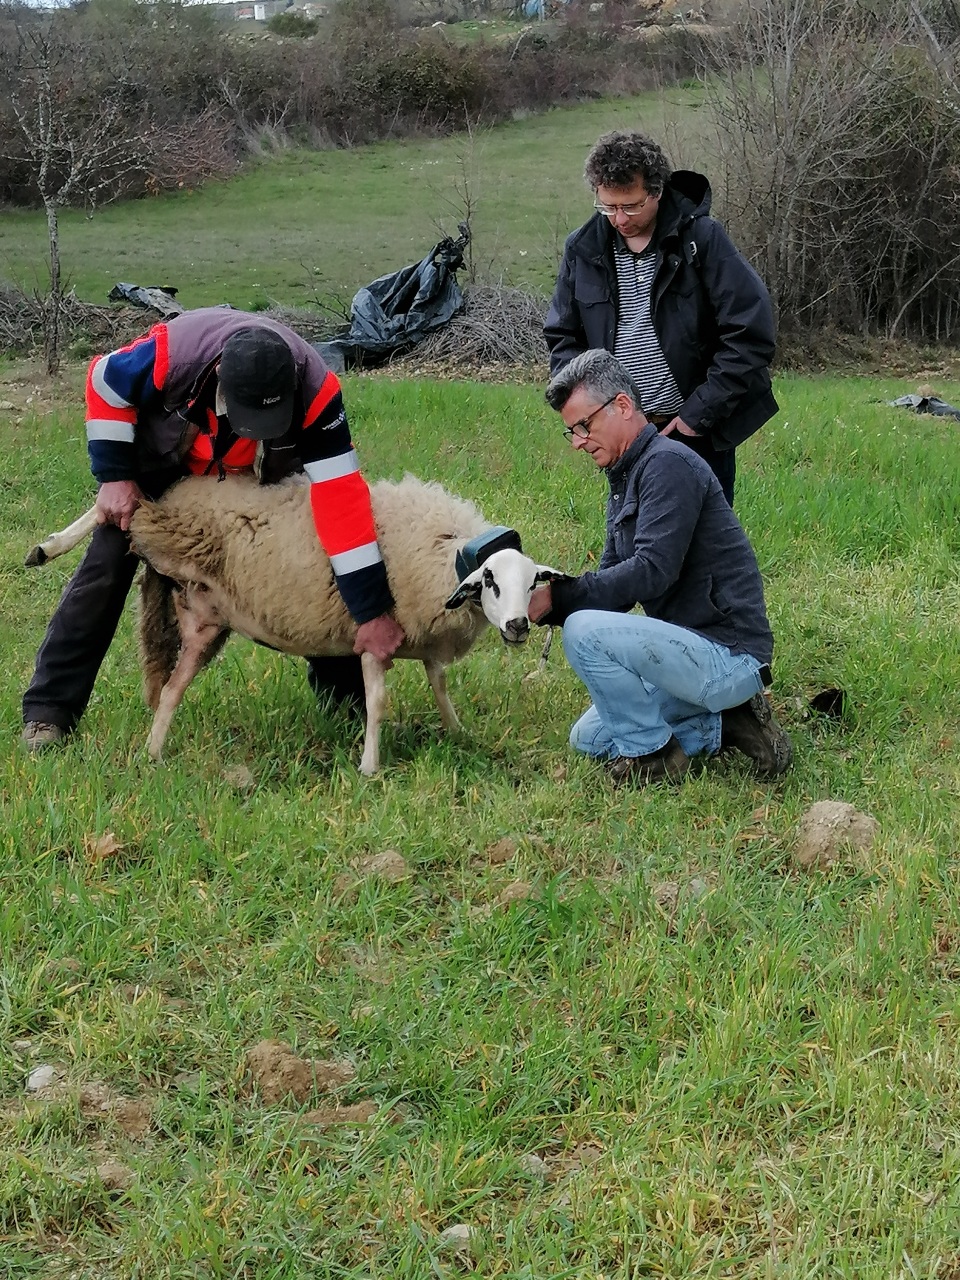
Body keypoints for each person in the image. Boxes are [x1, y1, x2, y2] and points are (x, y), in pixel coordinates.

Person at [22, 307, 404, 752]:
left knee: (311, 566)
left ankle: (345, 708)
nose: (257, 427)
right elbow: (104, 381)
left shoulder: (316, 392)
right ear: (221, 374)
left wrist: (371, 612)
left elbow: (342, 501)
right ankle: (49, 712)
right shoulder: (173, 357)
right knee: (106, 565)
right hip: (160, 466)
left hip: (255, 482)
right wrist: (114, 475)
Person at [528, 349, 792, 787]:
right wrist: (551, 590)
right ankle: (731, 725)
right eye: (569, 432)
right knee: (588, 739)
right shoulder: (624, 476)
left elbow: (653, 571)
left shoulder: (668, 465)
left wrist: (563, 601)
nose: (577, 441)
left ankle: (654, 759)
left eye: (583, 426)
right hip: (689, 654)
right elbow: (617, 581)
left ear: (623, 406)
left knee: (583, 632)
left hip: (728, 653)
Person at [544, 129, 778, 506]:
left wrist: (695, 416)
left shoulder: (702, 239)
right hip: (623, 433)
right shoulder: (582, 249)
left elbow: (751, 332)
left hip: (695, 430)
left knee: (704, 546)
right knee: (633, 540)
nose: (619, 218)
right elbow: (563, 338)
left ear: (657, 191)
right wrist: (594, 412)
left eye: (631, 206)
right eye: (608, 207)